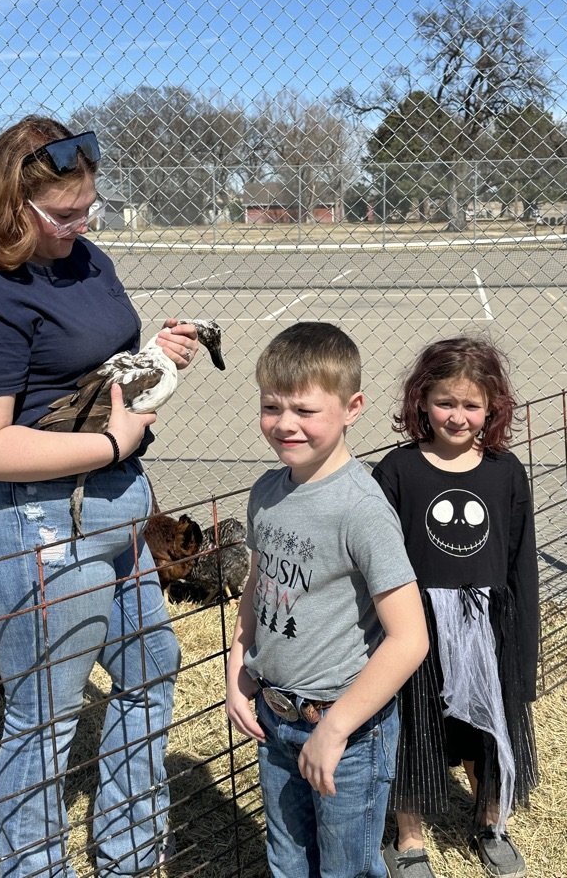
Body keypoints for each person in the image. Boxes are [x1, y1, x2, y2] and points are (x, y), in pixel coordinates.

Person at [0, 116, 201, 878]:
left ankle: (130, 854)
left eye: (89, 210)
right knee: (48, 709)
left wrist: (148, 362)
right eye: (63, 215)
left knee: (150, 669)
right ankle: (34, 867)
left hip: (110, 502)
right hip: (28, 517)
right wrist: (114, 443)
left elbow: (82, 362)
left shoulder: (82, 259)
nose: (81, 226)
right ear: (11, 207)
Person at [226, 321, 429, 878]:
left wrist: (335, 729)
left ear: (352, 407)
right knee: (288, 857)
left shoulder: (361, 509)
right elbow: (259, 583)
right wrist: (238, 669)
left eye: (304, 410)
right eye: (272, 407)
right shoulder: (267, 492)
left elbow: (410, 638)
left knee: (348, 866)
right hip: (275, 715)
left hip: (347, 730)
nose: (284, 424)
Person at [372, 336, 540, 878]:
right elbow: (379, 561)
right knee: (413, 730)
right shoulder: (397, 472)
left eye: (471, 405)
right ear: (421, 400)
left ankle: (490, 822)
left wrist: (523, 646)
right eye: (446, 402)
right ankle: (410, 838)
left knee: (489, 733)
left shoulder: (505, 472)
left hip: (486, 626)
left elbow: (520, 562)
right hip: (415, 627)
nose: (458, 416)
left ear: (492, 407)